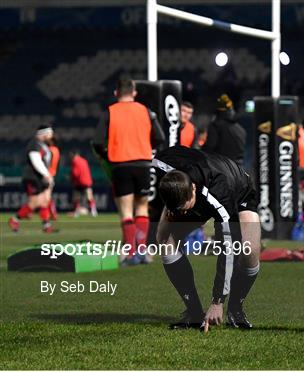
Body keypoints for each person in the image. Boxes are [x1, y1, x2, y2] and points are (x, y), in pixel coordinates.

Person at [152, 145, 261, 331]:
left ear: (193, 189)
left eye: (185, 208)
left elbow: (229, 247)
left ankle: (235, 309)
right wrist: (171, 208)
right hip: (195, 186)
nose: (183, 214)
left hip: (238, 189)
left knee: (248, 250)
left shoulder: (221, 195)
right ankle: (194, 313)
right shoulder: (161, 163)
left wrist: (218, 301)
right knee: (164, 241)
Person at [93, 76, 165, 265]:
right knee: (142, 208)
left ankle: (130, 253)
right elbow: (159, 137)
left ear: (116, 93)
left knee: (126, 212)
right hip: (143, 164)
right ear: (134, 92)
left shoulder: (110, 112)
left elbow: (98, 142)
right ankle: (142, 251)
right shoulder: (146, 111)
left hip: (121, 165)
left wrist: (107, 154)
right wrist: (146, 148)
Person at [8, 125, 57, 233]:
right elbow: (35, 160)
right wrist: (46, 174)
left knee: (45, 201)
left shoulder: (43, 145)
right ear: (43, 134)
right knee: (35, 202)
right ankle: (14, 219)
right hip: (33, 177)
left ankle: (46, 226)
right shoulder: (34, 143)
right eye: (50, 133)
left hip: (40, 177)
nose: (51, 136)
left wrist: (47, 174)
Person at [203, 94, 246, 166]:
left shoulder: (216, 126)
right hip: (238, 170)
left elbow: (210, 147)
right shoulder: (241, 129)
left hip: (221, 168)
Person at [70, 150, 97, 217]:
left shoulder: (75, 161)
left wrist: (72, 179)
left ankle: (76, 212)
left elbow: (75, 173)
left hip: (79, 182)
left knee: (77, 197)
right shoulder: (84, 160)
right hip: (87, 181)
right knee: (89, 196)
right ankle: (93, 211)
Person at [46, 135, 60, 221]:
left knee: (46, 197)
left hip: (47, 174)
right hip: (52, 174)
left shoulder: (50, 150)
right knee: (47, 196)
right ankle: (51, 213)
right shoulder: (56, 150)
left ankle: (53, 213)